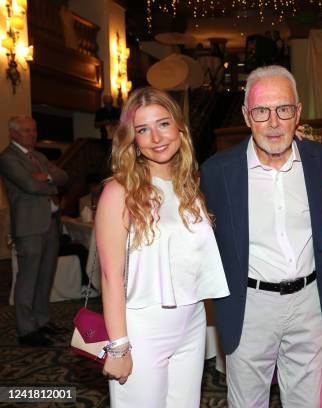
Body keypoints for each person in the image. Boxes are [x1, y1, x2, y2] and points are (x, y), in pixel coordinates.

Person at [200, 65, 322, 407]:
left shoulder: (319, 160)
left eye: (283, 109)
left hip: (309, 303)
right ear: (246, 116)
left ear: (297, 113)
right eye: (261, 111)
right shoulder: (217, 172)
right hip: (250, 305)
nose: (273, 122)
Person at [96, 87, 229, 407]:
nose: (156, 137)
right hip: (143, 328)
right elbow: (111, 277)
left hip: (192, 320)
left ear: (179, 128)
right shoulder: (119, 191)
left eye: (163, 124)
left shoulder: (189, 187)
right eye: (143, 129)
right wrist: (119, 346)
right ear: (133, 139)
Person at [0, 115, 69, 347]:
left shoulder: (39, 156)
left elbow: (64, 176)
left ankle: (41, 320)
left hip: (50, 222)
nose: (33, 134)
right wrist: (48, 182)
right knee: (28, 278)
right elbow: (28, 185)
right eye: (28, 131)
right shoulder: (8, 158)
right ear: (14, 133)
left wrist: (47, 176)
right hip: (29, 226)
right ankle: (26, 329)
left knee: (45, 276)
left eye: (34, 130)